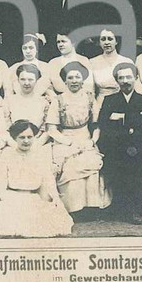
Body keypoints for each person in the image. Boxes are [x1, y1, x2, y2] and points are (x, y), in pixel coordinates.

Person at [0, 120, 74, 237]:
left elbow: (48, 179)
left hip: (34, 197)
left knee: (49, 222)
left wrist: (55, 198)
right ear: (15, 138)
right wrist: (0, 200)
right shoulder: (7, 155)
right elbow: (0, 181)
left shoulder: (39, 155)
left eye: (29, 137)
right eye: (22, 137)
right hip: (13, 198)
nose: (26, 141)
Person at [95, 63, 142, 224]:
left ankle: (137, 210)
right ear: (116, 80)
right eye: (121, 78)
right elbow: (104, 123)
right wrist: (134, 118)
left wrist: (121, 117)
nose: (125, 81)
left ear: (135, 78)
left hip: (139, 145)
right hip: (117, 146)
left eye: (128, 77)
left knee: (138, 174)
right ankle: (121, 209)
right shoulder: (109, 100)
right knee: (118, 174)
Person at [48, 62, 112, 214]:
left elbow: (96, 126)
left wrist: (91, 141)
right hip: (65, 139)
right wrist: (68, 142)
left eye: (78, 77)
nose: (74, 80)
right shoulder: (59, 99)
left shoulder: (89, 98)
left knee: (92, 161)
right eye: (71, 77)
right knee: (70, 165)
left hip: (86, 138)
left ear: (83, 80)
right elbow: (51, 129)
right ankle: (74, 207)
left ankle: (92, 206)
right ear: (65, 81)